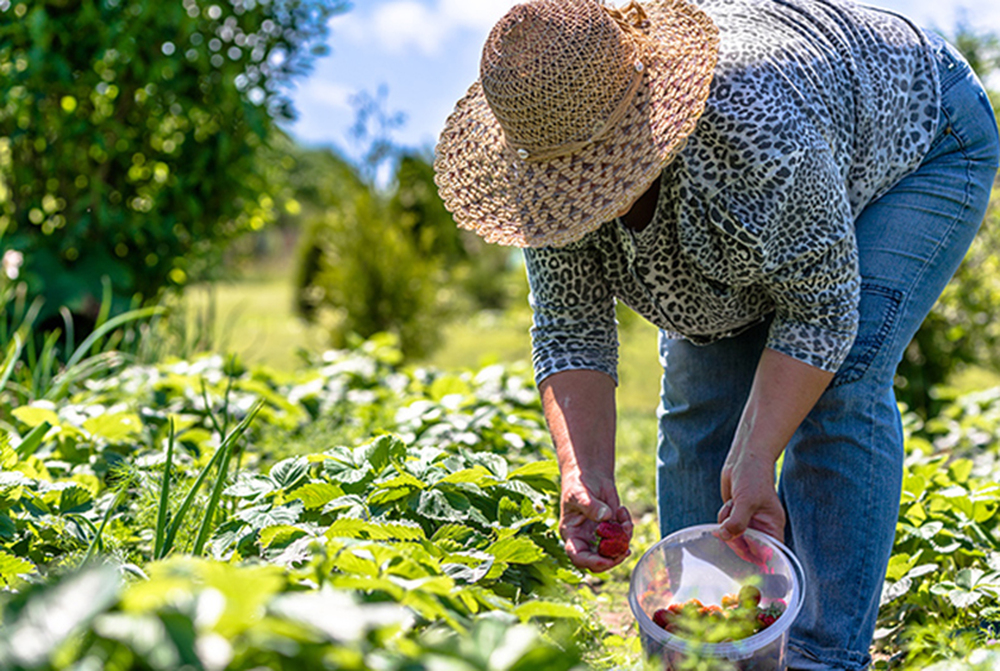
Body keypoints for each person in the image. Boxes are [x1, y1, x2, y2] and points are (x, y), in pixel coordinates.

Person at [433, 0, 1000, 667]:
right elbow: (570, 330)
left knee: (838, 384)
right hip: (781, 192)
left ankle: (821, 652)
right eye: (566, 176)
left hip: (918, 136)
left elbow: (820, 313)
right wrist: (582, 474)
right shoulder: (552, 170)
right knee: (701, 412)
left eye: (593, 170)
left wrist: (758, 456)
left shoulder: (750, 131)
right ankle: (710, 643)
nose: (579, 187)